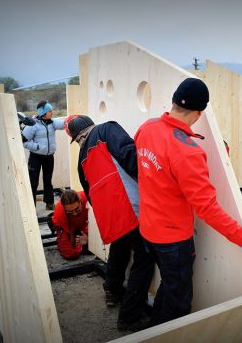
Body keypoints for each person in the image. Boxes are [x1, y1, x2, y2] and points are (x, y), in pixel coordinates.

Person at [134, 77, 242, 326]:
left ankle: (154, 329)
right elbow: (207, 207)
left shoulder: (146, 128)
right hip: (173, 240)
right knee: (179, 300)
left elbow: (160, 170)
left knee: (170, 285)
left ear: (173, 102)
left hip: (148, 229)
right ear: (199, 113)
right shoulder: (188, 151)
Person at [65, 114, 154, 331]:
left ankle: (112, 290)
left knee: (120, 246)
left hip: (109, 216)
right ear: (90, 125)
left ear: (77, 137)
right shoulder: (106, 129)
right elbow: (130, 156)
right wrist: (154, 182)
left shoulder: (81, 162)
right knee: (145, 257)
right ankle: (130, 316)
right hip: (130, 207)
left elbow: (90, 196)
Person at [22, 100, 65, 210]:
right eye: (50, 111)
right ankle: (31, 208)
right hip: (36, 157)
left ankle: (49, 203)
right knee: (33, 182)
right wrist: (37, 147)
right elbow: (23, 140)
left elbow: (63, 124)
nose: (52, 112)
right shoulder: (33, 125)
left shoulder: (52, 122)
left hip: (49, 157)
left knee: (48, 180)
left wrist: (73, 120)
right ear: (43, 113)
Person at [51, 189, 90, 259]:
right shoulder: (60, 213)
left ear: (80, 201)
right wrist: (82, 240)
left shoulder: (88, 197)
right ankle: (60, 240)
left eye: (77, 209)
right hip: (68, 227)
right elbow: (72, 234)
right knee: (72, 253)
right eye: (70, 212)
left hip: (83, 223)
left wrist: (89, 239)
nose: (74, 213)